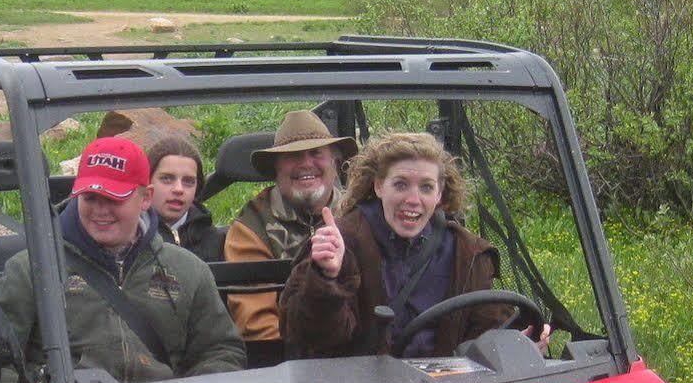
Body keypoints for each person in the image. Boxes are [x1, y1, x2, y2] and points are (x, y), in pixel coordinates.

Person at [0, 136, 244, 383]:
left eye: (113, 199)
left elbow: (221, 351)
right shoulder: (33, 269)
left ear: (145, 197)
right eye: (90, 197)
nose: (100, 210)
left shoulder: (189, 271)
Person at [282, 130, 544, 360]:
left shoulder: (468, 253)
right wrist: (325, 277)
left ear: (439, 194)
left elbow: (485, 338)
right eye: (401, 185)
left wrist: (518, 346)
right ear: (379, 186)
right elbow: (308, 339)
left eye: (426, 187)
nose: (413, 199)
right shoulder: (339, 242)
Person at [221, 108, 354, 343]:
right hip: (284, 365)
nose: (306, 164)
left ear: (336, 163)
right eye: (293, 156)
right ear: (276, 169)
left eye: (316, 153)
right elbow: (256, 327)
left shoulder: (358, 215)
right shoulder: (251, 227)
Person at [142, 132, 222, 259]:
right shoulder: (129, 235)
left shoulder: (212, 238)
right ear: (147, 182)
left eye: (189, 181)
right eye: (167, 178)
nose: (179, 189)